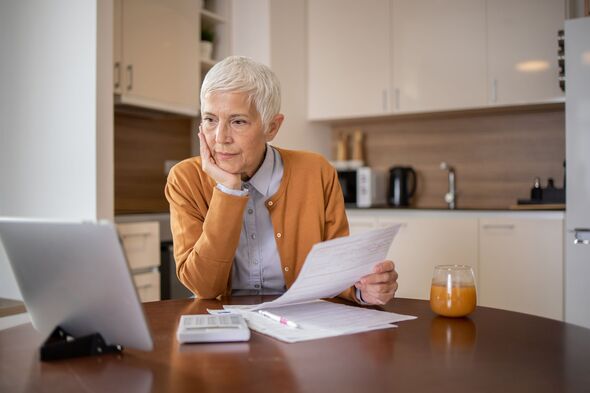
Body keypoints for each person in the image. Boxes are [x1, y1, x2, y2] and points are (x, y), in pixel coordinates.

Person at [165, 56, 398, 305]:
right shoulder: (185, 179)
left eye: (238, 121)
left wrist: (365, 289)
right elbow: (203, 287)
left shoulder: (316, 171)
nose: (220, 137)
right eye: (210, 120)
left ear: (272, 127)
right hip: (222, 325)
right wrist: (228, 191)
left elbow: (335, 271)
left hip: (301, 321)